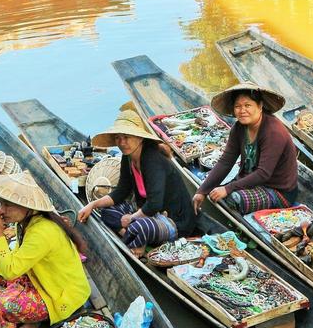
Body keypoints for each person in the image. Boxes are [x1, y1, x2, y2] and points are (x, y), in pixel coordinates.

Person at [0, 171, 91, 328]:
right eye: (1, 204)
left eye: (8, 205)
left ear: (26, 206)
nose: (2, 210)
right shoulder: (26, 223)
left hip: (62, 295)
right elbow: (17, 255)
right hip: (43, 280)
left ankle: (40, 321)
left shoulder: (41, 232)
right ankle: (29, 310)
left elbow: (10, 271)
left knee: (2, 306)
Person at [77, 109, 196, 256]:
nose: (122, 143)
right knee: (106, 211)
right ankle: (134, 237)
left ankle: (134, 236)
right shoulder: (127, 157)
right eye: (118, 138)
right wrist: (92, 205)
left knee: (139, 227)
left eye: (126, 137)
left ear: (139, 138)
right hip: (147, 214)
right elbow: (121, 192)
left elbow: (155, 204)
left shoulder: (152, 159)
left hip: (172, 221)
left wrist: (132, 218)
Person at [193, 82, 299, 215]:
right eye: (238, 106)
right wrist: (201, 191)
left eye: (248, 105)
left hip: (277, 191)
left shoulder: (273, 132)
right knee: (214, 193)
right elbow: (226, 162)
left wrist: (228, 188)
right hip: (251, 181)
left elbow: (263, 173)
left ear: (260, 106)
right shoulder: (238, 128)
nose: (242, 110)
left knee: (232, 199)